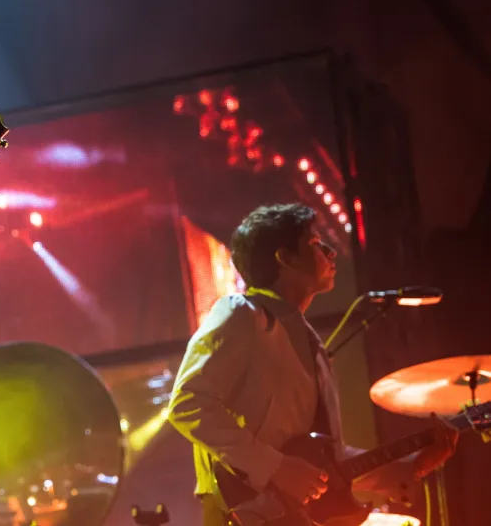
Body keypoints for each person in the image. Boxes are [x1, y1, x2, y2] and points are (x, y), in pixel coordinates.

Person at [166, 203, 458, 526]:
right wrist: (276, 467)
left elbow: (324, 464)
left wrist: (413, 465)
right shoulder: (241, 314)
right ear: (285, 258)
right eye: (316, 244)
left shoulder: (311, 345)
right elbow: (187, 404)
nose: (331, 252)